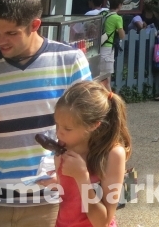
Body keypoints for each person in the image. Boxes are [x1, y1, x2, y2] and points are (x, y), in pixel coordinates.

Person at [0, 0, 91, 226]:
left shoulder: (71, 60)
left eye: (11, 33)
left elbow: (90, 127)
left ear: (35, 25)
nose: (0, 40)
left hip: (50, 203)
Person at [53, 80, 131, 227]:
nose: (59, 132)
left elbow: (103, 221)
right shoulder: (64, 146)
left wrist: (82, 178)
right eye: (57, 124)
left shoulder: (113, 154)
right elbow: (69, 200)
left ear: (94, 125)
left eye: (67, 129)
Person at [101, 0, 125, 75]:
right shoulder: (117, 18)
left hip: (99, 46)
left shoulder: (103, 13)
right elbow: (122, 36)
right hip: (108, 47)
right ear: (119, 5)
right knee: (107, 77)